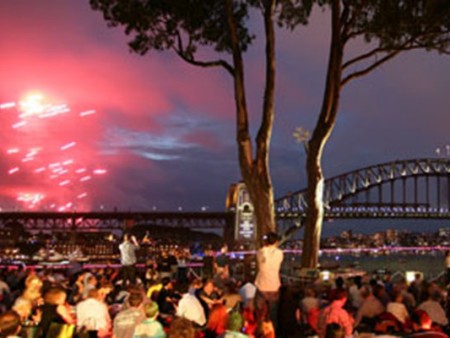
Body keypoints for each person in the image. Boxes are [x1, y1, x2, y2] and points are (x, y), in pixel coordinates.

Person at [254, 232, 284, 329]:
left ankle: (260, 332)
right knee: (273, 314)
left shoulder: (260, 252)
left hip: (262, 286)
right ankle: (272, 332)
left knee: (259, 314)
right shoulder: (280, 253)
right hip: (274, 286)